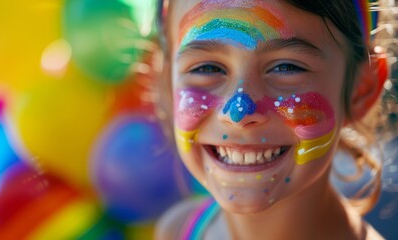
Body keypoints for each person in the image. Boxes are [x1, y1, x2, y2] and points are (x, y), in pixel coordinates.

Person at [154, 0, 392, 239]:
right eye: (206, 69)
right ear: (167, 81)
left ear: (360, 91)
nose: (238, 113)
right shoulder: (177, 230)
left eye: (286, 67)